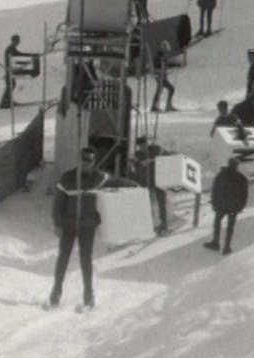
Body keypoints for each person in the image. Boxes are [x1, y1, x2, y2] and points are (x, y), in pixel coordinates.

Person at [49, 147, 135, 310]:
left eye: (90, 161)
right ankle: (56, 292)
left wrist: (137, 186)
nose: (86, 163)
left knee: (86, 259)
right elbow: (58, 204)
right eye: (83, 160)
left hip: (87, 225)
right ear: (78, 160)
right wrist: (57, 224)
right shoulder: (67, 178)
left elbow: (118, 181)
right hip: (69, 224)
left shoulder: (99, 177)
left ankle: (89, 296)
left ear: (94, 162)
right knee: (63, 257)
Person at [204, 157, 248, 255]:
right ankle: (227, 247)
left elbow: (215, 190)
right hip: (233, 207)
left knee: (217, 222)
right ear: (237, 166)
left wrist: (215, 204)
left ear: (229, 164)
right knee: (230, 226)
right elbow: (244, 195)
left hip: (221, 206)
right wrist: (240, 207)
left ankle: (216, 242)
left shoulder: (221, 175)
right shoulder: (241, 178)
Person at [132, 136, 170, 235]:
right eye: (140, 146)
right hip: (146, 181)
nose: (142, 148)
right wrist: (139, 164)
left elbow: (167, 155)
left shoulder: (156, 149)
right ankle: (150, 224)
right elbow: (135, 165)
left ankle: (164, 225)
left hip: (159, 179)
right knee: (147, 204)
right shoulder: (138, 154)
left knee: (162, 203)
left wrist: (153, 160)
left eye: (143, 145)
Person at [151, 41, 178, 112]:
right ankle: (166, 105)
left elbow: (164, 66)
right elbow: (156, 68)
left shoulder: (163, 57)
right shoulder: (159, 57)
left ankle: (155, 105)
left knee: (161, 90)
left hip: (162, 76)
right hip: (160, 76)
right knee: (170, 89)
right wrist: (160, 72)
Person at [0, 34, 23, 109]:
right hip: (9, 69)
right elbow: (18, 55)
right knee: (10, 85)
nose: (19, 42)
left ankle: (7, 101)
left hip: (10, 69)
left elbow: (19, 54)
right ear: (15, 41)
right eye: (18, 40)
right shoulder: (10, 49)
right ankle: (5, 102)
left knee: (11, 84)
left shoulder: (11, 48)